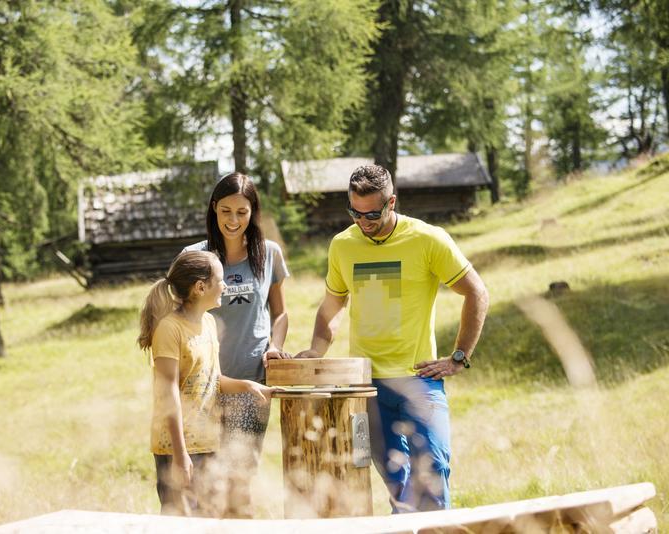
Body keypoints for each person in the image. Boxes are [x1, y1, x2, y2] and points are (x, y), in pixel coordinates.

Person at [295, 165, 489, 513]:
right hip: (367, 384)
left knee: (433, 468)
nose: (362, 221)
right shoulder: (342, 245)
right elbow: (333, 304)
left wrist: (459, 356)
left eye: (371, 213)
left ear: (392, 202)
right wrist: (317, 348)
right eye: (355, 212)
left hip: (419, 380)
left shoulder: (428, 239)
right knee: (395, 479)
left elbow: (476, 292)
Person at [183, 172, 290, 517]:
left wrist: (275, 345)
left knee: (242, 476)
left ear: (253, 212)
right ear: (214, 209)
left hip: (252, 382)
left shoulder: (269, 253)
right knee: (205, 480)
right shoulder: (195, 257)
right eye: (226, 211)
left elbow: (280, 313)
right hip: (203, 385)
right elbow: (177, 319)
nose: (233, 220)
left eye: (241, 212)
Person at [138, 250, 275, 517]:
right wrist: (180, 455)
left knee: (209, 519)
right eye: (221, 280)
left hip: (208, 442)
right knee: (180, 522)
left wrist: (248, 386)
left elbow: (211, 379)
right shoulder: (169, 329)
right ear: (201, 287)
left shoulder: (209, 323)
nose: (226, 286)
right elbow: (168, 395)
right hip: (177, 447)